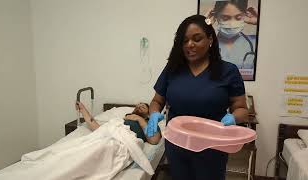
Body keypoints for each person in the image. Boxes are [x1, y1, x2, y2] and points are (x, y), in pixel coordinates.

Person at [146, 15, 249, 180]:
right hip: (178, 144)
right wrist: (153, 114)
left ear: (210, 40)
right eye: (184, 40)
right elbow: (157, 101)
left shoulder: (228, 71)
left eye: (197, 39)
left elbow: (242, 109)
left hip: (212, 146)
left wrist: (233, 117)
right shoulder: (172, 69)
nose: (189, 45)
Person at [75, 102, 161, 145]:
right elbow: (98, 128)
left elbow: (154, 140)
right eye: (138, 106)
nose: (139, 107)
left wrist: (139, 119)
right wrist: (82, 109)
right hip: (110, 136)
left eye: (143, 107)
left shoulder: (151, 123)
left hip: (122, 142)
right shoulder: (121, 120)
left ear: (148, 114)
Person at [207, 0, 258, 70]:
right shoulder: (207, 43)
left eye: (238, 18)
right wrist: (205, 23)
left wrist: (258, 21)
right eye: (225, 18)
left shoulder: (255, 41)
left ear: (244, 16)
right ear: (215, 17)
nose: (232, 23)